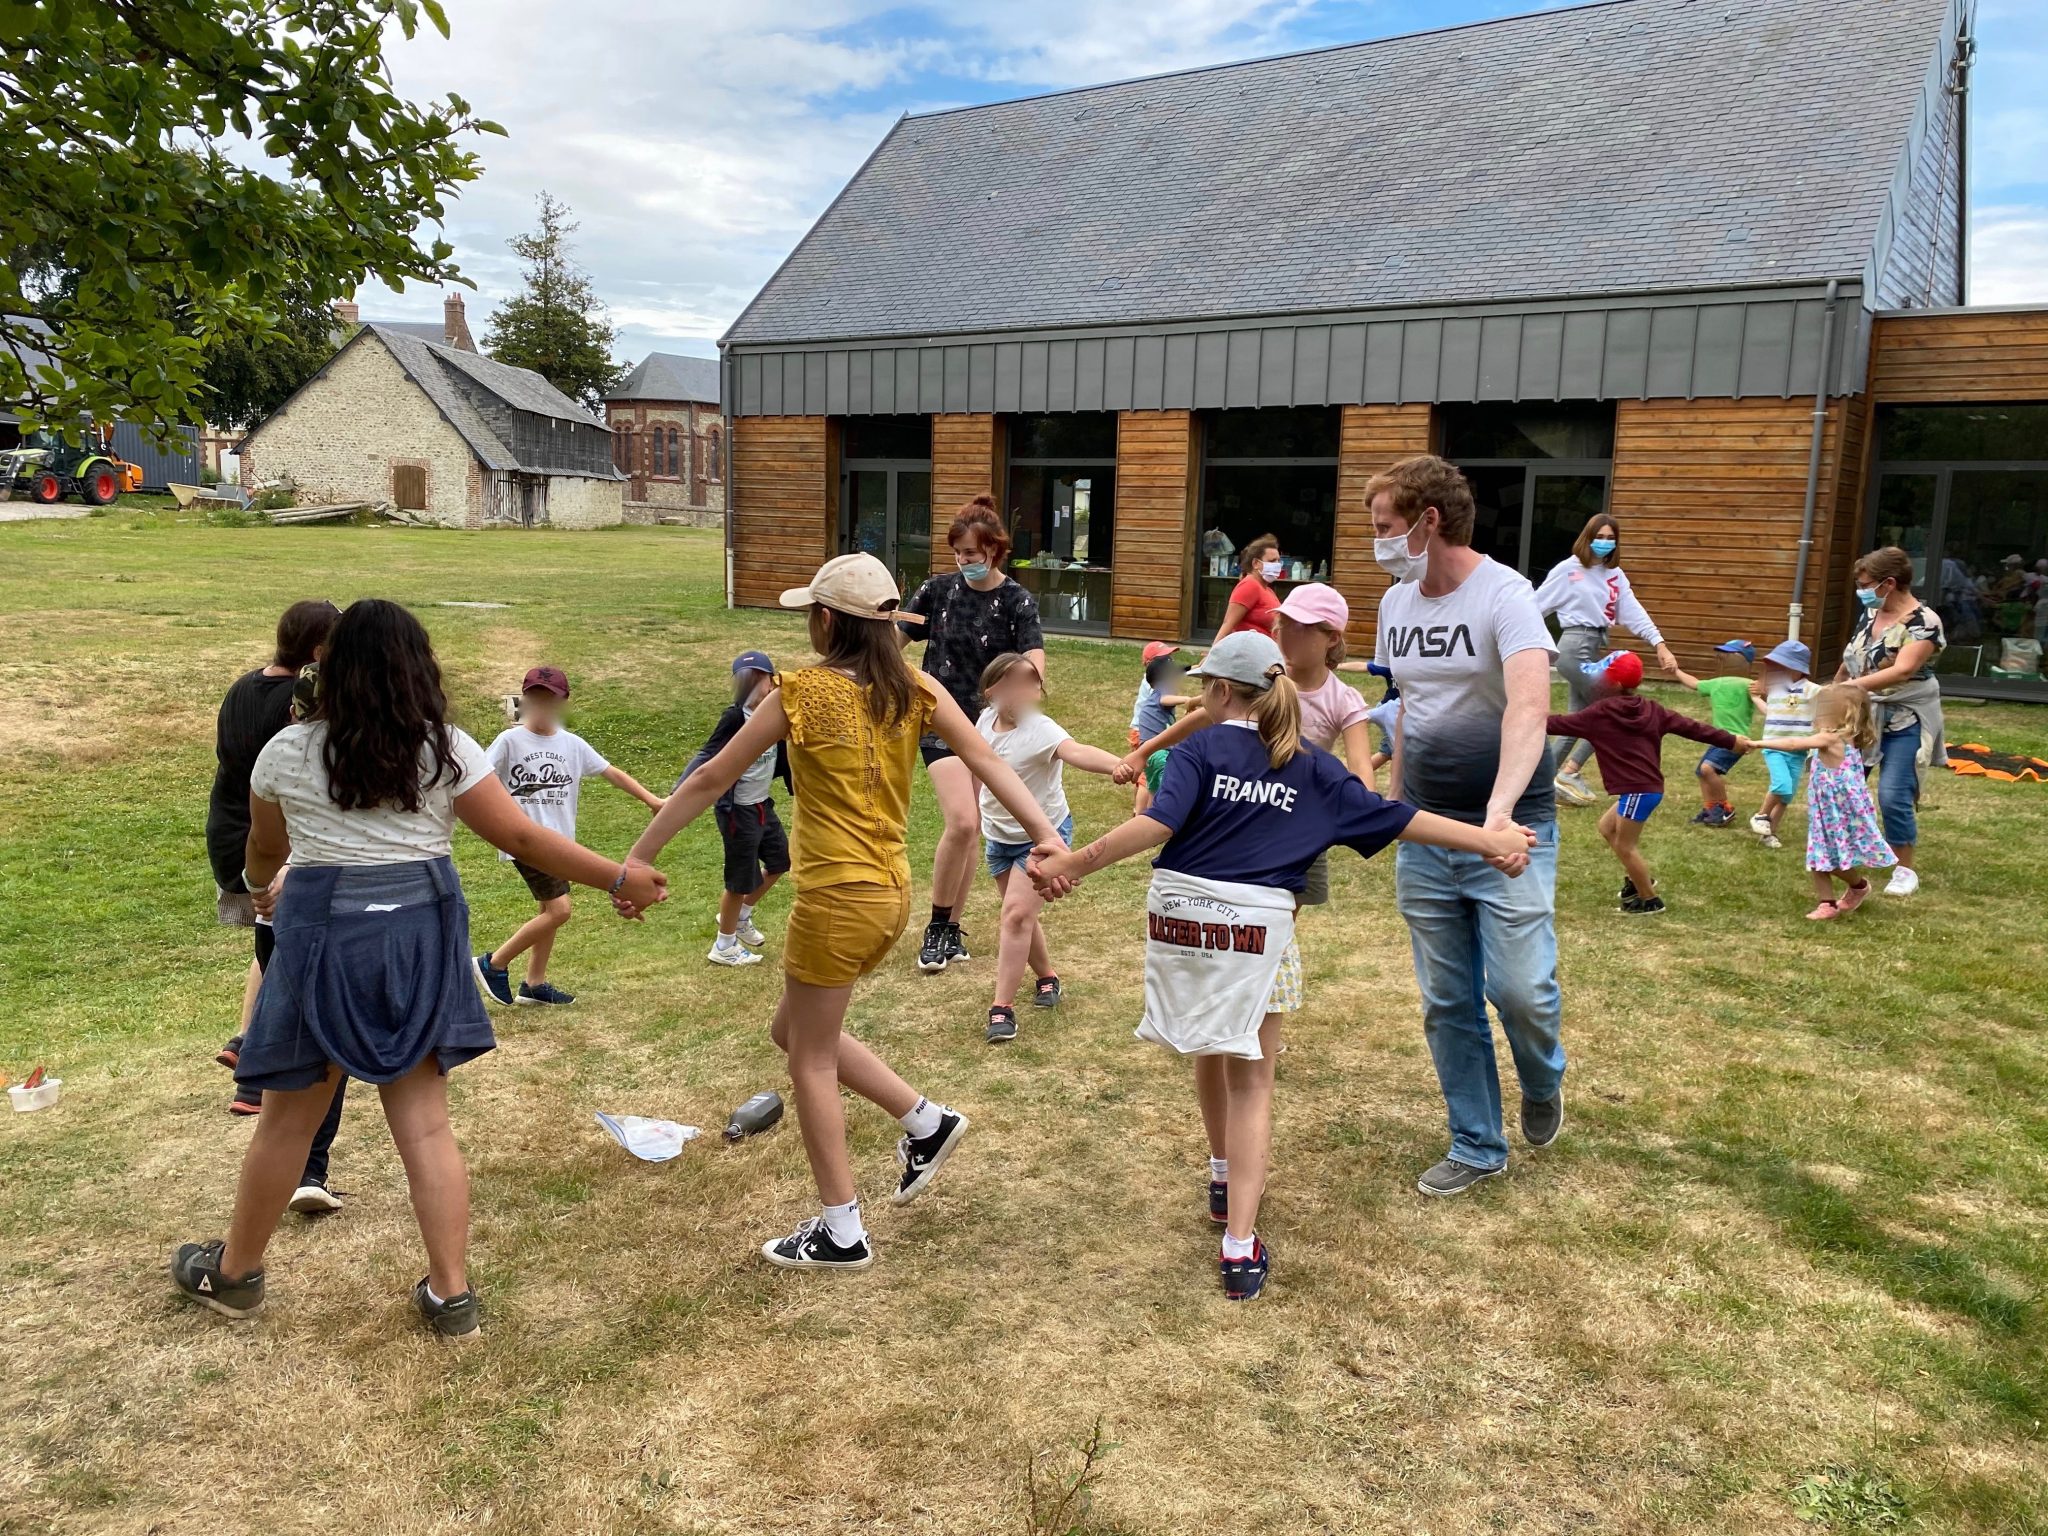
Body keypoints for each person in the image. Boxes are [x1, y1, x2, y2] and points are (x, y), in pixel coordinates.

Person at [171, 600, 668, 1338]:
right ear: (417, 670)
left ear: (328, 669)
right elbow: (522, 838)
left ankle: (236, 1274)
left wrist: (253, 887)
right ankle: (450, 1295)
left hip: (319, 935)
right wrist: (619, 878)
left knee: (285, 1125)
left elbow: (265, 856)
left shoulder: (286, 752)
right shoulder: (449, 748)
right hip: (420, 929)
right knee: (427, 1127)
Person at [1029, 631, 1534, 1300]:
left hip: (1183, 929)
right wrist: (1489, 841)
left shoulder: (1199, 746)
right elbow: (1397, 816)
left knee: (1210, 1049)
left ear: (1217, 692)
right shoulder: (1311, 766)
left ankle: (1221, 1172)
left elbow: (1157, 826)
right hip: (1259, 940)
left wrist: (1073, 862)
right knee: (1253, 1082)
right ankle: (1239, 1246)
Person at [624, 553, 1065, 1270]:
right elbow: (986, 760)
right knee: (791, 1029)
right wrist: (1047, 838)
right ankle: (927, 1123)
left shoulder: (801, 691)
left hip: (835, 900)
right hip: (889, 895)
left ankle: (841, 1231)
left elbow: (711, 775)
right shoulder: (916, 688)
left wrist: (634, 860)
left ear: (825, 620)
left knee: (810, 1057)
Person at [1369, 454, 1566, 1198]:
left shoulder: (1506, 597)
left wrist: (1499, 816)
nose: (1377, 541)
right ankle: (1478, 1143)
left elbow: (1527, 708)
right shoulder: (1396, 604)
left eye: (1385, 527)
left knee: (1521, 991)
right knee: (1448, 999)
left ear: (1429, 521)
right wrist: (1395, 808)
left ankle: (1543, 1079)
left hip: (1512, 824)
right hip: (1427, 828)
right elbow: (1408, 709)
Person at [204, 600, 353, 1213]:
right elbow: (301, 797)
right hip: (281, 858)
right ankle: (305, 1159)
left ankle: (250, 1051)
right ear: (320, 651)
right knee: (311, 1001)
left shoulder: (242, 689)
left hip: (234, 847)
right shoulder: (307, 703)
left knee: (273, 958)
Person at [1122, 583, 1377, 910]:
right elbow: (1203, 717)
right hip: (1244, 804)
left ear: (1332, 638)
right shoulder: (1262, 678)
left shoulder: (1343, 699)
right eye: (1283, 624)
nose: (1285, 634)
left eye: (1300, 627)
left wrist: (1366, 806)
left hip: (1298, 818)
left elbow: (1360, 765)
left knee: (1283, 909)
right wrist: (1144, 751)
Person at [900, 494, 1046, 973]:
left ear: (995, 550)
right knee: (962, 821)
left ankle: (952, 930)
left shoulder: (1017, 601)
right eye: (958, 552)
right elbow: (890, 643)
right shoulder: (937, 591)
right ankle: (938, 926)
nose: (965, 561)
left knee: (972, 829)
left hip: (987, 730)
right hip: (938, 721)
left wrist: (1017, 697)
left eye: (973, 553)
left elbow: (1033, 664)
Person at [472, 667, 667, 1007]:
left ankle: (534, 984)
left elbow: (613, 773)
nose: (542, 706)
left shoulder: (572, 744)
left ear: (564, 702)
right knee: (560, 911)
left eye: (551, 699)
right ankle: (493, 963)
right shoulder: (509, 741)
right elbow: (481, 778)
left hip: (560, 846)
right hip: (529, 843)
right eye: (536, 698)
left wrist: (652, 800)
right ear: (525, 699)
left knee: (549, 907)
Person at [974, 653, 1124, 1044]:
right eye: (1018, 681)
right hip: (999, 838)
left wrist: (1120, 766)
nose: (1029, 689)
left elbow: (1077, 751)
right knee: (1021, 917)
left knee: (1015, 915)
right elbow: (980, 771)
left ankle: (1001, 1008)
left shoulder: (1040, 729)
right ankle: (1047, 977)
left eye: (1033, 682)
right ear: (993, 690)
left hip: (1044, 838)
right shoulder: (983, 723)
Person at [1544, 649, 1749, 914]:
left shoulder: (1600, 713)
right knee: (1607, 828)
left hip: (1636, 793)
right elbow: (1694, 728)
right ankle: (1638, 879)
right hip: (1648, 790)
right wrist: (1732, 741)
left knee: (1625, 845)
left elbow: (1555, 724)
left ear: (1613, 683)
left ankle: (1649, 899)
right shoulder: (1653, 709)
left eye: (1602, 677)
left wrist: (1527, 712)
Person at [1534, 514, 1678, 807]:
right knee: (1613, 713)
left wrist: (1660, 645)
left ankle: (1537, 783)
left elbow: (1634, 613)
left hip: (1594, 647)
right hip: (1575, 648)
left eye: (1611, 538)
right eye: (1599, 536)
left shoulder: (1615, 575)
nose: (1605, 543)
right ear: (1587, 537)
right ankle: (1569, 773)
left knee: (1578, 721)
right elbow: (1535, 607)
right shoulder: (1569, 570)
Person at [1837, 546, 1946, 897]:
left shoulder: (1924, 623)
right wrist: (1834, 686)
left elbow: (1903, 670)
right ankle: (1851, 851)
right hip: (1862, 714)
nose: (1861, 590)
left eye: (1865, 584)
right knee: (1845, 785)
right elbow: (1853, 656)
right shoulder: (1871, 614)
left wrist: (1849, 688)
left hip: (1906, 716)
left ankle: (1904, 869)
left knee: (1892, 793)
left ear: (1889, 583)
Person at [677, 650, 793, 968]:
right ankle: (724, 945)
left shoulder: (775, 714)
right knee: (739, 880)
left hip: (760, 806)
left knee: (782, 860)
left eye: (760, 678)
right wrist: (677, 793)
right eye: (745, 680)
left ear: (772, 681)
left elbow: (787, 757)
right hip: (736, 810)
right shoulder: (735, 717)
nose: (753, 685)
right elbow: (706, 755)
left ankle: (740, 916)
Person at [1764, 684, 1897, 920]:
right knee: (1819, 855)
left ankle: (1858, 886)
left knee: (1833, 858)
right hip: (1825, 811)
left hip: (1840, 811)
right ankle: (1827, 903)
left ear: (1844, 714)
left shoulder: (1833, 739)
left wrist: (1757, 744)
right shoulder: (1843, 737)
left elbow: (1794, 744)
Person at [1664, 640, 1760, 826]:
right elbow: (1694, 683)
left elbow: (1767, 689)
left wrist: (1764, 687)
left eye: (1730, 654)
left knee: (1707, 769)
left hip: (1737, 740)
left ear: (1744, 661)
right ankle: (1711, 809)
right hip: (1719, 739)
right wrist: (1675, 671)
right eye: (1723, 654)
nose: (1723, 657)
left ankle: (1724, 809)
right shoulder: (1716, 683)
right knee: (1701, 771)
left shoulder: (1750, 685)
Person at [1746, 640, 1820, 850]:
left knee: (1786, 797)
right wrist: (1754, 697)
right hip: (1774, 747)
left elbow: (1825, 711)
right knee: (1781, 785)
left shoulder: (1812, 691)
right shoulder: (1774, 688)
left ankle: (1770, 834)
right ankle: (1761, 816)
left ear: (1796, 667)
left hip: (1798, 751)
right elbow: (1772, 712)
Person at [1128, 641, 1192, 815]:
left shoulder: (1159, 680)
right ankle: (1142, 814)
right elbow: (1164, 699)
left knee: (1150, 779)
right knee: (1147, 780)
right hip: (1145, 735)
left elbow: (1179, 672)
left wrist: (1195, 667)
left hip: (1152, 737)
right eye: (1166, 659)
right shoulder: (1157, 685)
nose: (1171, 662)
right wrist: (1186, 699)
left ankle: (1145, 812)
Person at [1213, 533, 1283, 641]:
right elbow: (1228, 624)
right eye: (1272, 561)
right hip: (1249, 654)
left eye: (1278, 560)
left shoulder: (1267, 590)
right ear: (1255, 563)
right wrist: (1213, 654)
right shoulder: (1250, 585)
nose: (1277, 565)